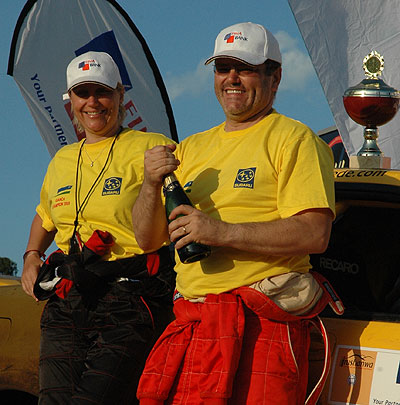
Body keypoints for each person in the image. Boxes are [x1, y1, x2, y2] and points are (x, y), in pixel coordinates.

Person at [133, 22, 341, 405]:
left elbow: (315, 233)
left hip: (262, 327)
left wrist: (220, 232)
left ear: (274, 77)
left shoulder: (295, 139)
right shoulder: (191, 148)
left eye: (244, 67)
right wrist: (149, 185)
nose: (231, 78)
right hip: (195, 324)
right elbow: (147, 240)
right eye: (222, 67)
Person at [21, 51, 176, 404]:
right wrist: (31, 256)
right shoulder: (62, 159)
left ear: (120, 94)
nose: (92, 102)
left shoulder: (150, 147)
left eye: (102, 92)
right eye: (82, 93)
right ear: (71, 101)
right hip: (68, 301)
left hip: (129, 298)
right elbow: (44, 214)